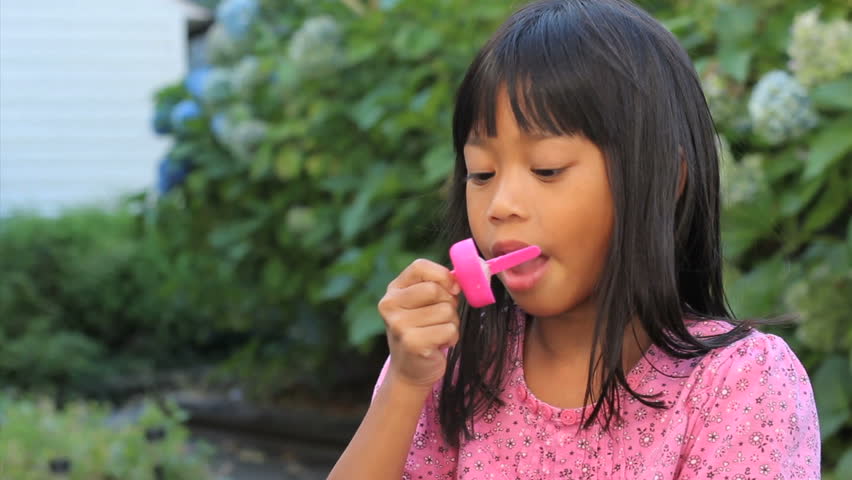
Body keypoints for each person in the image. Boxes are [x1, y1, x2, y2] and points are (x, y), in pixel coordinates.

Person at [328, 0, 821, 478]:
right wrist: (404, 384)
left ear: (664, 180)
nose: (500, 204)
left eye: (547, 168)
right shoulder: (452, 368)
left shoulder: (741, 386)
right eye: (481, 173)